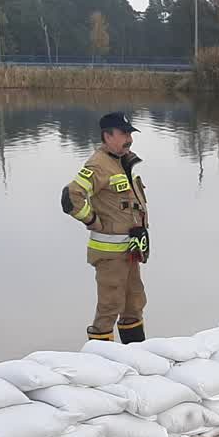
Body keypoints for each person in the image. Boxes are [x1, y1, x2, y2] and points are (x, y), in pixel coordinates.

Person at [61, 112, 149, 342]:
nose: (129, 138)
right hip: (110, 255)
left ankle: (136, 355)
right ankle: (102, 362)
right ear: (107, 136)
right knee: (110, 306)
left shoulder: (121, 162)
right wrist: (92, 221)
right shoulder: (99, 165)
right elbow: (71, 197)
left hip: (130, 250)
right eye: (123, 134)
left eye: (130, 133)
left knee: (134, 303)